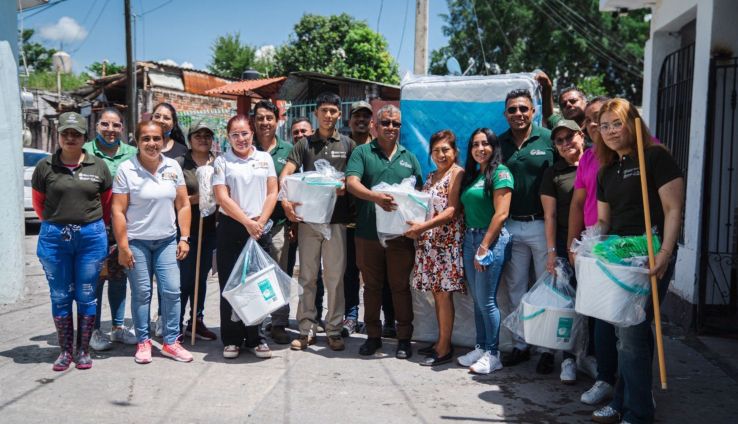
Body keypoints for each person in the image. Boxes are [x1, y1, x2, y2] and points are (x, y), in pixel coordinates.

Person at [590, 98, 683, 424]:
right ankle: (624, 400)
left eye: (617, 123)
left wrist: (664, 254)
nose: (611, 131)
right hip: (618, 257)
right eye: (605, 126)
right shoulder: (606, 171)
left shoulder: (656, 157)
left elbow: (673, 209)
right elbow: (604, 221)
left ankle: (638, 413)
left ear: (633, 124)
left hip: (651, 254)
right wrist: (587, 245)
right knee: (628, 334)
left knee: (630, 334)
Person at [33, 112, 112, 371]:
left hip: (90, 238)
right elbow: (39, 204)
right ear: (58, 136)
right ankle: (65, 351)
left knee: (87, 294)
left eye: (75, 134)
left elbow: (106, 202)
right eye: (65, 133)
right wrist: (60, 223)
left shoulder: (98, 166)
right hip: (55, 238)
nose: (70, 138)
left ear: (84, 137)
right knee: (60, 295)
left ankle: (83, 350)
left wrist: (88, 225)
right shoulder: (44, 167)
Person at [111, 120, 193, 364]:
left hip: (167, 241)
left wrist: (184, 237)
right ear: (137, 141)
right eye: (145, 138)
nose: (152, 143)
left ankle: (171, 342)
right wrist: (123, 247)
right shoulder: (127, 169)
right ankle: (144, 341)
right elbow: (117, 211)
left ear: (163, 140)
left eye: (157, 138)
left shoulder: (172, 167)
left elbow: (183, 204)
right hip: (137, 242)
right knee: (142, 293)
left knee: (172, 290)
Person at [346, 104, 423, 359]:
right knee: (371, 288)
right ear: (375, 126)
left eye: (396, 123)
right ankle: (373, 337)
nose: (391, 127)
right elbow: (351, 183)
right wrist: (375, 197)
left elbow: (420, 195)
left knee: (400, 287)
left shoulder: (409, 158)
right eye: (386, 123)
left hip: (400, 237)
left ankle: (404, 339)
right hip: (368, 234)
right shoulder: (362, 152)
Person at [281, 92, 355, 352]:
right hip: (308, 221)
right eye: (324, 110)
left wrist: (346, 186)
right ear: (316, 113)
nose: (328, 115)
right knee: (308, 277)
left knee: (334, 278)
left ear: (339, 115)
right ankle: (306, 330)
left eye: (333, 111)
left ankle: (333, 330)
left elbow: (355, 178)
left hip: (336, 221)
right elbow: (286, 174)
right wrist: (285, 200)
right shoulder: (304, 144)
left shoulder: (347, 144)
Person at [567, 96, 619, 405]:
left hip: (625, 246)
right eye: (588, 120)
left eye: (599, 116)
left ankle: (634, 388)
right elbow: (577, 203)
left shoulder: (631, 153)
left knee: (630, 324)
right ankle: (605, 379)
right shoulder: (588, 158)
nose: (594, 124)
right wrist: (572, 244)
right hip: (593, 244)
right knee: (599, 317)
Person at [213, 114, 278, 360]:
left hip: (260, 226)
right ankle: (232, 338)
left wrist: (259, 222)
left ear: (252, 133)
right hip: (233, 227)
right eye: (235, 135)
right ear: (228, 137)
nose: (241, 139)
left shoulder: (264, 158)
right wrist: (247, 222)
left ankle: (255, 337)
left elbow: (272, 192)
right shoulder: (222, 161)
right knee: (231, 284)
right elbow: (222, 197)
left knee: (257, 284)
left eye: (245, 133)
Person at [498, 89, 554, 369]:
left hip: (542, 224)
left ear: (533, 111)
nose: (518, 114)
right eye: (512, 110)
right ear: (505, 114)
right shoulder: (499, 143)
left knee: (546, 288)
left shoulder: (548, 139)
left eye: (523, 109)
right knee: (515, 288)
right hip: (511, 225)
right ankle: (521, 345)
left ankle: (546, 349)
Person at [456, 128, 514, 374]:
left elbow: (501, 214)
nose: (480, 149)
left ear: (494, 147)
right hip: (470, 238)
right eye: (475, 144)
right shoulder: (473, 175)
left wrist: (484, 246)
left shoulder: (501, 173)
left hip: (489, 240)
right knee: (478, 299)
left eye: (485, 144)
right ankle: (481, 347)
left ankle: (493, 353)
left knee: (487, 301)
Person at [405, 130, 465, 367]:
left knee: (443, 295)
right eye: (436, 150)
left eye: (446, 150)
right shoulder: (431, 176)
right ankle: (441, 340)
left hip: (446, 244)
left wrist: (423, 227)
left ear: (455, 151)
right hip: (429, 244)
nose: (441, 155)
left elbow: (452, 211)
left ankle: (444, 347)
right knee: (436, 294)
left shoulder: (457, 173)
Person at [83, 108, 138, 351]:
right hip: (93, 226)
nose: (110, 130)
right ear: (97, 126)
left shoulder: (132, 153)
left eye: (116, 125)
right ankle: (92, 330)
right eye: (105, 124)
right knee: (94, 279)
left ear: (122, 128)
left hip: (123, 226)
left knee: (118, 277)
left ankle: (117, 327)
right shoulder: (85, 151)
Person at [343, 100, 396, 337]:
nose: (361, 120)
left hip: (377, 222)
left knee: (382, 276)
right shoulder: (343, 145)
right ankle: (351, 316)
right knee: (350, 273)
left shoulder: (382, 146)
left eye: (366, 116)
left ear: (372, 122)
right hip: (348, 219)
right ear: (350, 120)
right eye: (357, 116)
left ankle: (388, 319)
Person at [539, 119, 586, 384]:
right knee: (569, 304)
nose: (566, 143)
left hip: (597, 245)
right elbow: (550, 215)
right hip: (567, 247)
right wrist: (552, 252)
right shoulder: (554, 173)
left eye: (570, 137)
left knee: (594, 307)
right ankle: (568, 358)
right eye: (560, 140)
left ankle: (591, 356)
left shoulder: (596, 163)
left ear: (581, 135)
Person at [252, 100, 294, 345]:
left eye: (269, 118)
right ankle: (253, 323)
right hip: (249, 224)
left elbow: (294, 187)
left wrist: (293, 223)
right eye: (260, 118)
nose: (265, 122)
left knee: (279, 273)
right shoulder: (246, 146)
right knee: (253, 274)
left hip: (277, 223)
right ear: (253, 121)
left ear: (277, 121)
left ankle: (279, 323)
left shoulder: (288, 150)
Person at [175, 118, 218, 341]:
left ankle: (197, 321)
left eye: (207, 135)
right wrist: (200, 198)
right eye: (198, 135)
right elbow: (175, 198)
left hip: (210, 230)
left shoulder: (219, 162)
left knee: (201, 278)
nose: (203, 139)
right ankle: (176, 324)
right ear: (190, 139)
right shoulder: (180, 163)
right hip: (185, 230)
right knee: (184, 279)